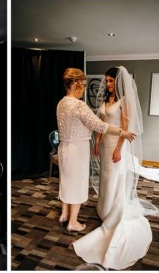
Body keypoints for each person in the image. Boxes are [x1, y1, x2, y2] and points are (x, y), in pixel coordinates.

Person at [72, 67, 153, 269]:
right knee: (105, 178)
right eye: (106, 81)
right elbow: (102, 122)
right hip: (104, 143)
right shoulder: (105, 101)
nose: (107, 84)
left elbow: (125, 129)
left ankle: (112, 211)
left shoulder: (124, 102)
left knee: (114, 178)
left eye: (110, 81)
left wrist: (118, 149)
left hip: (117, 146)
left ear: (117, 82)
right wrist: (97, 142)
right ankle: (103, 208)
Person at [55, 68, 136, 234]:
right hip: (77, 150)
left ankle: (64, 214)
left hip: (64, 148)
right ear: (76, 84)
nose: (85, 88)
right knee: (77, 184)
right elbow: (100, 125)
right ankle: (73, 222)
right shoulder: (78, 105)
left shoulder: (61, 103)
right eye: (83, 85)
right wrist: (123, 132)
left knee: (65, 181)